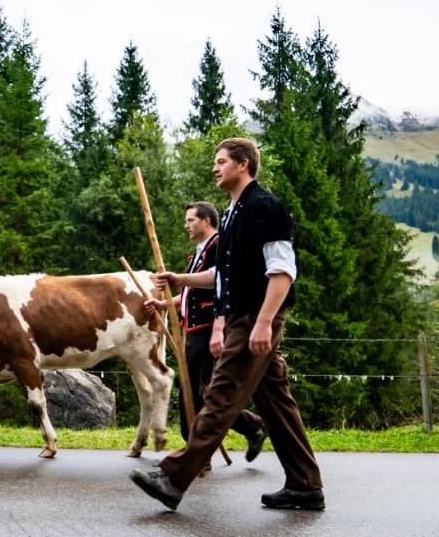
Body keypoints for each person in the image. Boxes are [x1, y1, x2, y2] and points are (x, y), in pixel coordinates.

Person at [130, 137, 324, 512]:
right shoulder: (234, 211)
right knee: (276, 404)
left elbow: (283, 270)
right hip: (243, 315)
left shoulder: (265, 207)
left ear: (244, 164)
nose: (214, 167)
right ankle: (305, 485)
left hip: (253, 317)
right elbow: (226, 273)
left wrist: (265, 322)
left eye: (221, 161)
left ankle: (172, 478)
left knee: (220, 395)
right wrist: (181, 280)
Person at [144, 201, 266, 463]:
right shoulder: (200, 250)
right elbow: (190, 292)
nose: (186, 225)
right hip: (196, 327)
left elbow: (217, 278)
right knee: (200, 389)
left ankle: (197, 451)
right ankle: (243, 430)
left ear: (206, 221)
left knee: (196, 389)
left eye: (191, 220)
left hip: (210, 326)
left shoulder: (219, 244)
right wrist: (166, 304)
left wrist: (178, 278)